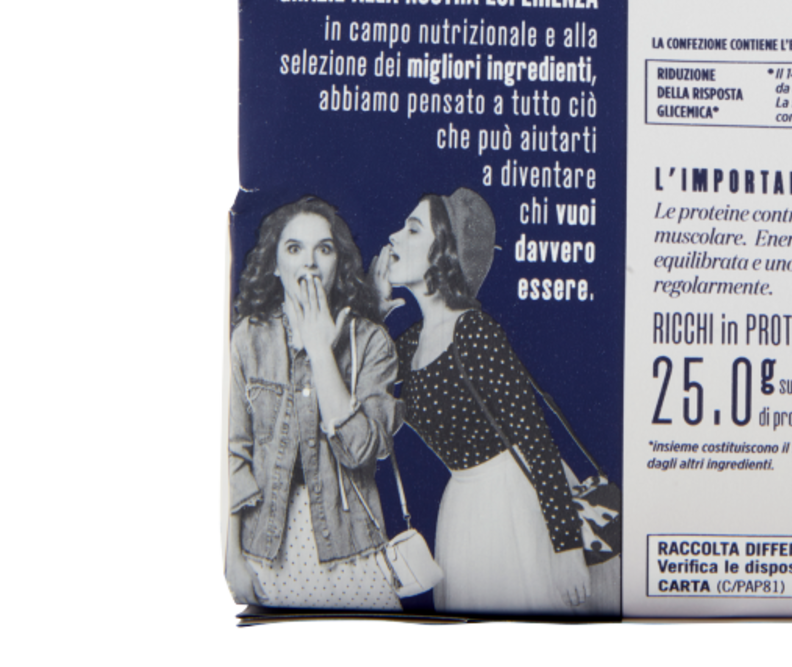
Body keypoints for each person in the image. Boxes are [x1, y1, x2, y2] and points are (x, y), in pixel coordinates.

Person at [375, 189, 593, 615]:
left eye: (413, 230)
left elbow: (536, 439)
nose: (394, 237)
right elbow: (362, 381)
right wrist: (378, 311)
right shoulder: (411, 341)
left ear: (444, 252)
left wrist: (567, 548)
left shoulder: (475, 331)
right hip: (462, 507)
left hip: (514, 502)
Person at [227, 196, 401, 611]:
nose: (309, 263)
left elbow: (361, 451)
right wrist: (230, 557)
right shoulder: (248, 338)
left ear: (338, 262)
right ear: (274, 263)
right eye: (294, 248)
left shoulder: (371, 341)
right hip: (264, 546)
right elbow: (232, 455)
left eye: (323, 249)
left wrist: (321, 352)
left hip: (351, 547)